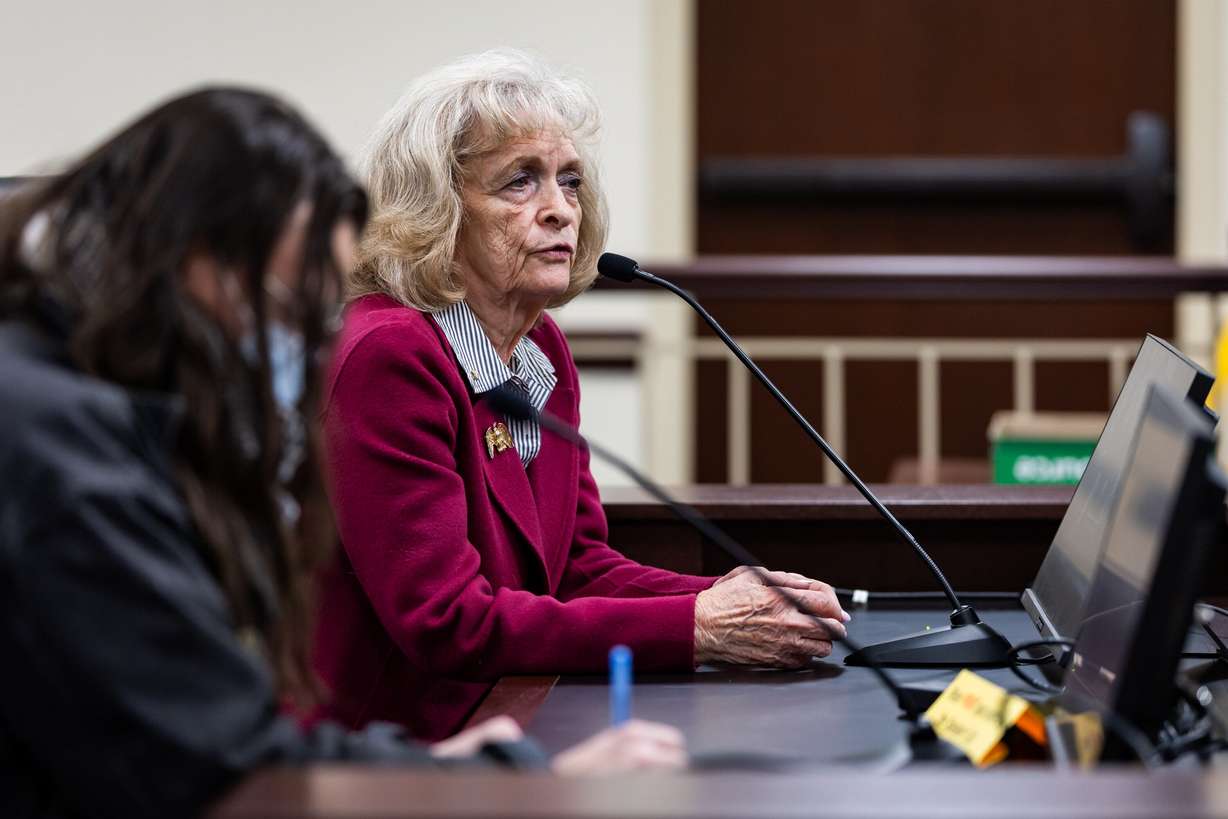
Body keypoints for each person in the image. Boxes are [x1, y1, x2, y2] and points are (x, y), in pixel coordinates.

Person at [0, 88, 686, 819]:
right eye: (297, 303)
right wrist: (511, 776)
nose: (313, 338)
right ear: (198, 260)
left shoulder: (81, 395)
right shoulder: (59, 445)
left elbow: (218, 732)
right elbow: (219, 761)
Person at [316, 49, 850, 742]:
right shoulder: (388, 354)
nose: (560, 210)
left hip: (513, 714)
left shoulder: (539, 350)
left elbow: (575, 567)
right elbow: (447, 621)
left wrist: (737, 598)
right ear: (437, 210)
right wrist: (699, 628)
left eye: (569, 181)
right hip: (393, 754)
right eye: (519, 183)